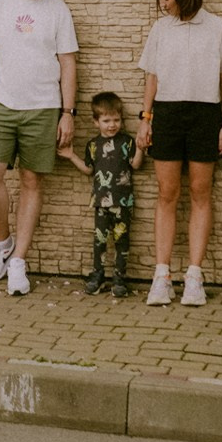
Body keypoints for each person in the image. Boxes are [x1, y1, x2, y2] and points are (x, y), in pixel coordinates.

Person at [135, 0, 222, 308]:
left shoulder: (217, 27)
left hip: (205, 115)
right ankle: (162, 276)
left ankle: (194, 277)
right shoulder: (161, 29)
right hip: (166, 113)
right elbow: (152, 77)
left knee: (200, 192)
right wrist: (145, 119)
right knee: (167, 193)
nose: (162, 5)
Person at [0, 0, 78, 296]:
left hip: (43, 107)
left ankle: (19, 260)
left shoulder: (58, 9)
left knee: (32, 180)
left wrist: (68, 113)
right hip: (2, 105)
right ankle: (2, 244)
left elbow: (68, 62)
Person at [59, 91, 145, 297]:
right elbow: (89, 170)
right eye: (106, 121)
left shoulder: (127, 142)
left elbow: (135, 165)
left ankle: (119, 279)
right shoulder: (93, 145)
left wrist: (141, 148)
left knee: (122, 241)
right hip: (100, 202)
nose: (112, 125)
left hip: (123, 202)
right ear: (96, 122)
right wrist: (71, 156)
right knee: (99, 241)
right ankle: (97, 276)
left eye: (116, 120)